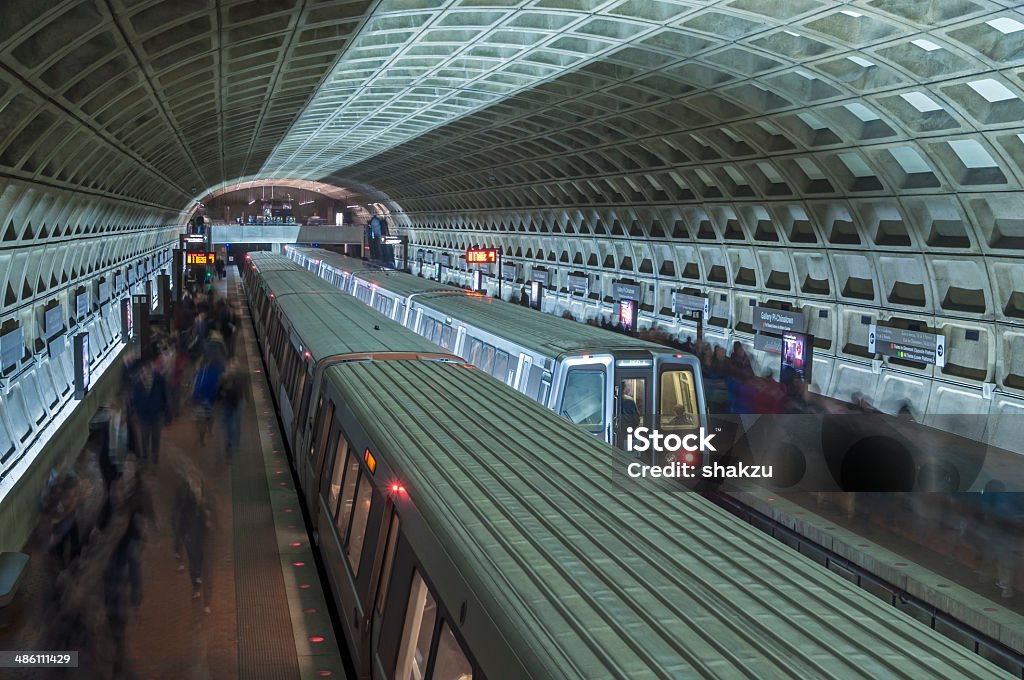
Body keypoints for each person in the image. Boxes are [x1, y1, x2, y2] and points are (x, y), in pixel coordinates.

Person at [130, 352, 169, 465]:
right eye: (144, 370)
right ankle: (145, 458)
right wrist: (135, 413)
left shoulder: (159, 380)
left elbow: (164, 396)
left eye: (148, 370)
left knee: (156, 439)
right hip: (143, 416)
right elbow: (134, 399)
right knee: (144, 438)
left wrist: (166, 412)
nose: (146, 373)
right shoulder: (137, 383)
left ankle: (155, 458)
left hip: (157, 415)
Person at [218, 359, 247, 461]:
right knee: (230, 426)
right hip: (229, 404)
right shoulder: (225, 378)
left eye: (234, 367)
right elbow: (219, 390)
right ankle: (230, 448)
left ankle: (234, 443)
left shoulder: (239, 377)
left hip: (236, 404)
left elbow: (244, 390)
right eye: (231, 367)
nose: (232, 369)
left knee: (234, 424)